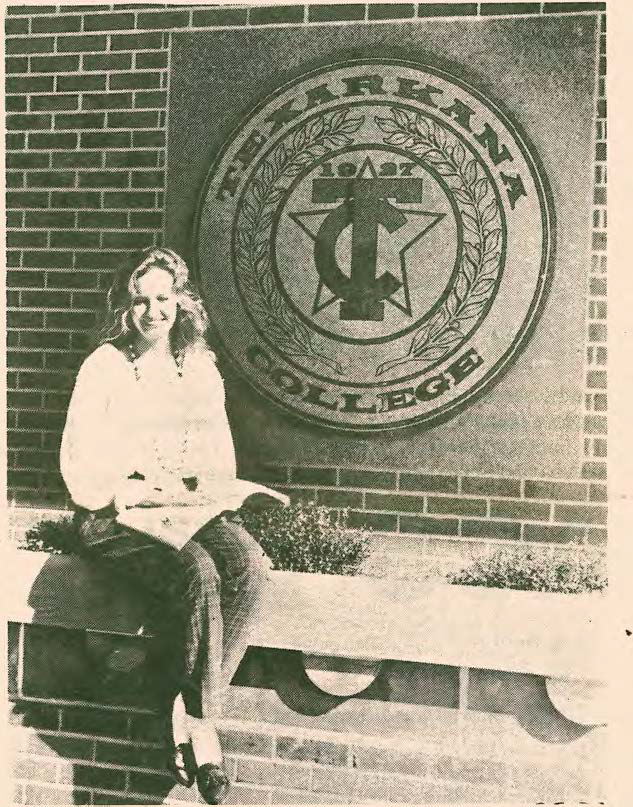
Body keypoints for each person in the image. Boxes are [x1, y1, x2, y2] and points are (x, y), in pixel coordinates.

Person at [60, 247, 276, 804]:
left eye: (164, 299)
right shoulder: (105, 366)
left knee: (248, 566)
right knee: (198, 573)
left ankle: (192, 706)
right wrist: (130, 485)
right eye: (140, 301)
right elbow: (79, 463)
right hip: (116, 514)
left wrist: (203, 482)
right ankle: (206, 736)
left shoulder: (197, 367)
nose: (153, 312)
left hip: (180, 507)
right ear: (124, 306)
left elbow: (217, 453)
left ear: (181, 302)